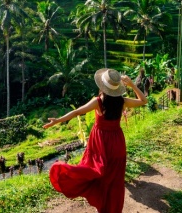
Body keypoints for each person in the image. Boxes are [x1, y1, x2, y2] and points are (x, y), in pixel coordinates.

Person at [43, 68, 147, 213]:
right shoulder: (122, 101)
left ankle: (102, 207)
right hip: (117, 143)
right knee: (116, 180)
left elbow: (77, 111)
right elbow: (143, 100)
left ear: (102, 86)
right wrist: (132, 85)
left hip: (100, 144)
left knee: (96, 174)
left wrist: (57, 120)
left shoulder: (98, 101)